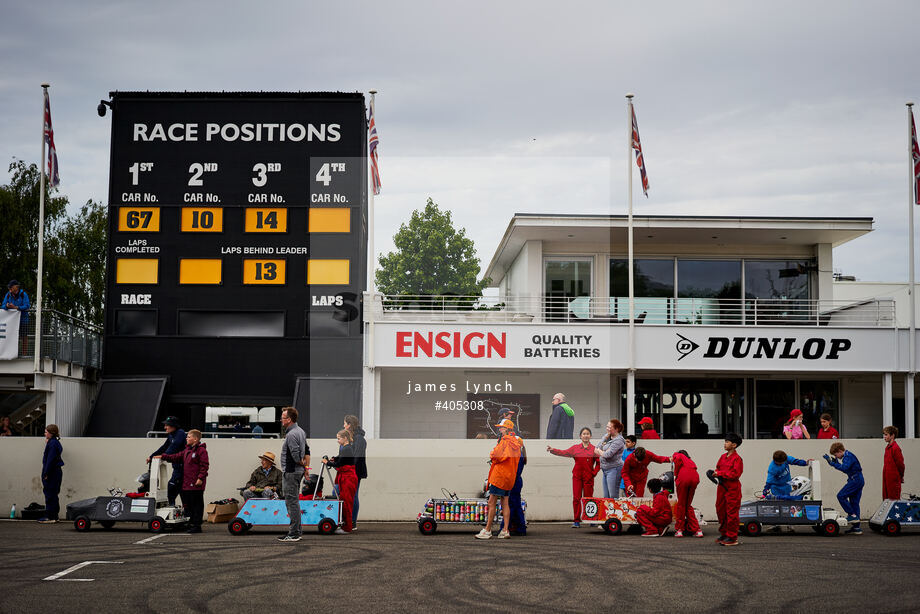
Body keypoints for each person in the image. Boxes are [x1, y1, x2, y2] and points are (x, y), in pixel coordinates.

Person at [476, 418, 522, 540]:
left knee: (491, 502)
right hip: (509, 478)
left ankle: (487, 530)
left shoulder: (505, 441)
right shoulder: (517, 443)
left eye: (501, 427)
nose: (499, 429)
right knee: (505, 503)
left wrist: (492, 454)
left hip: (499, 477)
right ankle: (505, 530)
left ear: (506, 429)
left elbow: (497, 456)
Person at [157, 429, 209, 534]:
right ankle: (191, 523)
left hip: (196, 484)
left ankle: (197, 525)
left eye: (189, 437)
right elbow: (176, 456)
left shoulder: (201, 451)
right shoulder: (186, 451)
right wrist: (163, 456)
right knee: (188, 505)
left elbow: (205, 466)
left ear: (195, 439)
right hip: (187, 484)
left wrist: (200, 478)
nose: (186, 438)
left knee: (197, 504)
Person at [547, 427, 599, 527]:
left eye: (588, 434)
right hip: (577, 477)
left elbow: (599, 463)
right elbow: (564, 452)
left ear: (590, 436)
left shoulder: (594, 449)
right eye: (584, 434)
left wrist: (594, 473)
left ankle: (591, 519)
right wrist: (553, 450)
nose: (586, 435)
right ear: (580, 436)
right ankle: (576, 520)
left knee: (589, 499)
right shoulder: (575, 448)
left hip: (588, 477)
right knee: (576, 498)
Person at [278, 406, 309, 542]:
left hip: (291, 472)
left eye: (283, 418)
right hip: (297, 472)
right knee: (294, 501)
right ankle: (296, 531)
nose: (281, 420)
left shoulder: (291, 434)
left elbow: (296, 456)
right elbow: (307, 450)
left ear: (289, 419)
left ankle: (294, 533)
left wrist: (302, 464)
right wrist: (306, 467)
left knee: (291, 502)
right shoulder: (301, 431)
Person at [824, 441, 865, 534]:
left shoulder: (848, 456)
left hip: (855, 480)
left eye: (835, 454)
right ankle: (856, 528)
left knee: (841, 496)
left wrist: (833, 464)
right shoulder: (848, 455)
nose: (836, 456)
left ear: (839, 451)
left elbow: (844, 468)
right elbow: (846, 468)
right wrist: (837, 463)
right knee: (854, 503)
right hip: (858, 479)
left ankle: (852, 515)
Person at [323, 429, 358, 534]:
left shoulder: (347, 449)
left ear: (345, 438)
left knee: (347, 502)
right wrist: (331, 460)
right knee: (344, 500)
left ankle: (347, 527)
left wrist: (327, 462)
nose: (337, 440)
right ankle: (345, 524)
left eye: (339, 438)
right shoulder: (346, 448)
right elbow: (339, 459)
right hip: (346, 477)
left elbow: (339, 463)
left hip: (348, 478)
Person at [146, 416, 186, 505]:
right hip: (177, 467)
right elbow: (164, 447)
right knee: (181, 491)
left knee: (172, 488)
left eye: (167, 425)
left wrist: (163, 456)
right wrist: (152, 456)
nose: (165, 427)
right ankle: (185, 513)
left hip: (182, 468)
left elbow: (174, 446)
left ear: (173, 426)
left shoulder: (180, 433)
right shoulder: (171, 435)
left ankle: (172, 508)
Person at [712, 432, 744, 546]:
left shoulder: (737, 459)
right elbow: (718, 468)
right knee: (720, 510)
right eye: (725, 441)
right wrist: (715, 473)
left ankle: (732, 537)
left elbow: (735, 474)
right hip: (722, 487)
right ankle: (724, 533)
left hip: (732, 489)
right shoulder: (722, 457)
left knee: (731, 513)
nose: (725, 444)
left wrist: (719, 473)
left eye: (727, 442)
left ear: (734, 445)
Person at [344, 414, 368, 530]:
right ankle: (349, 519)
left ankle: (352, 521)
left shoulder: (359, 439)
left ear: (349, 425)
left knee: (353, 495)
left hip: (355, 472)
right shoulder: (352, 438)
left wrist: (348, 465)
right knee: (350, 495)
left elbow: (357, 457)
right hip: (350, 470)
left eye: (344, 423)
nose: (343, 426)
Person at [672, 449, 703, 538]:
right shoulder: (690, 461)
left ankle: (679, 530)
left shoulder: (678, 455)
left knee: (681, 505)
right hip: (695, 477)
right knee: (687, 505)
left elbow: (676, 459)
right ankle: (697, 530)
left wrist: (675, 474)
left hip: (684, 477)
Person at [37, 424, 64, 523]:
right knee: (54, 494)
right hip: (56, 471)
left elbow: (50, 460)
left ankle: (50, 516)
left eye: (46, 432)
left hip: (52, 472)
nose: (45, 433)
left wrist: (46, 473)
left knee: (49, 494)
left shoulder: (52, 444)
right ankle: (55, 516)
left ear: (51, 433)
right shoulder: (55, 443)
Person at [594, 419, 626, 498]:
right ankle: (608, 510)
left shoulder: (619, 440)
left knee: (613, 495)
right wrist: (604, 439)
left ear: (616, 429)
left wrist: (601, 452)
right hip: (605, 469)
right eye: (607, 426)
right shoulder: (606, 436)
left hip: (614, 469)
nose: (607, 428)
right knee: (606, 496)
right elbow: (596, 449)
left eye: (609, 427)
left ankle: (615, 510)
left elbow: (608, 455)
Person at [2, 280, 30, 354]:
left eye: (11, 287)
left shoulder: (23, 294)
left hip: (23, 320)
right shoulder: (8, 294)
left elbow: (27, 306)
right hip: (12, 321)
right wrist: (7, 306)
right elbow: (3, 305)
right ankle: (14, 353)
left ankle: (24, 354)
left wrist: (16, 307)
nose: (9, 289)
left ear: (16, 287)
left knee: (24, 337)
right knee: (13, 337)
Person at [882, 425, 905, 501]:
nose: (884, 437)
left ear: (892, 435)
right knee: (886, 499)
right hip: (887, 479)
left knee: (893, 499)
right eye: (884, 435)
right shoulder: (887, 448)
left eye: (886, 435)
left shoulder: (895, 448)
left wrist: (900, 477)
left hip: (893, 480)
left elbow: (900, 465)